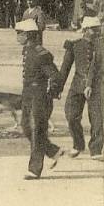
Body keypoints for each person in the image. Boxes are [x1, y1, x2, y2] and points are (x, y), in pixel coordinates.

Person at [16, 18, 65, 180]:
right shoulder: (27, 50)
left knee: (37, 130)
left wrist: (50, 94)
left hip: (39, 96)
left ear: (28, 35)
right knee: (26, 127)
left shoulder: (40, 53)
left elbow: (55, 76)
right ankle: (53, 151)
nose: (17, 37)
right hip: (28, 95)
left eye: (19, 33)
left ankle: (34, 169)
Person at [60, 16, 104, 161]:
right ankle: (78, 144)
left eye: (98, 29)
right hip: (77, 85)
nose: (97, 32)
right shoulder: (75, 45)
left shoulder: (103, 45)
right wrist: (58, 87)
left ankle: (96, 149)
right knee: (71, 115)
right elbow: (65, 68)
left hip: (97, 87)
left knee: (97, 119)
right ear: (85, 30)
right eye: (93, 29)